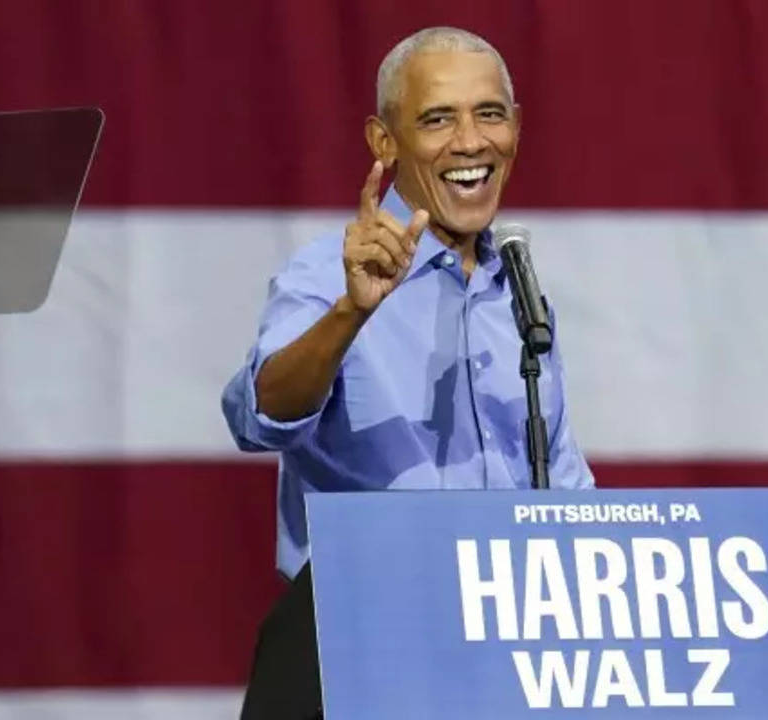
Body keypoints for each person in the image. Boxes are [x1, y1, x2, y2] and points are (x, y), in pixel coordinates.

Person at [223, 26, 594, 582]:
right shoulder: (329, 275)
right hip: (370, 628)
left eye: (490, 114)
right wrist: (352, 312)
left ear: (517, 126)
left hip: (504, 629)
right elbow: (260, 420)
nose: (470, 141)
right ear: (384, 141)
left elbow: (564, 486)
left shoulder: (518, 288)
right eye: (438, 119)